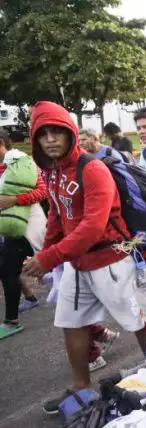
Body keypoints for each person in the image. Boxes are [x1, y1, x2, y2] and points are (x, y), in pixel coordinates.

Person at [23, 102, 146, 413]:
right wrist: (45, 255)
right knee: (71, 322)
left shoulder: (92, 169)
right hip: (78, 264)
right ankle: (81, 386)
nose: (50, 139)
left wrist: (50, 257)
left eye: (57, 132)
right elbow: (57, 218)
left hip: (110, 261)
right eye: (43, 134)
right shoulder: (52, 172)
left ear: (70, 134)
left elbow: (93, 226)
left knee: (139, 321)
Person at [0, 129, 47, 339]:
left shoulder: (20, 161)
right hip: (10, 229)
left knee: (53, 273)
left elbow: (42, 191)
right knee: (8, 270)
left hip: (29, 229)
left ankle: (12, 320)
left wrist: (15, 200)